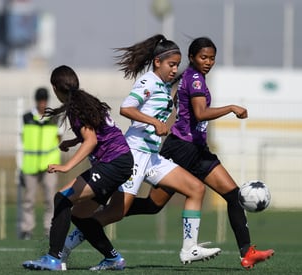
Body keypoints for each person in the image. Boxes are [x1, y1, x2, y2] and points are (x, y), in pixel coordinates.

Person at [60, 34, 221, 268]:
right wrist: (154, 123)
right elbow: (126, 108)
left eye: (177, 65)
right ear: (158, 62)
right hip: (134, 154)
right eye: (171, 64)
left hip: (153, 157)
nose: (175, 69)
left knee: (196, 189)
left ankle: (189, 249)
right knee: (115, 213)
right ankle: (64, 249)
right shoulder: (148, 82)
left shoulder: (164, 86)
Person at [125, 37, 275, 270]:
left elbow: (183, 107)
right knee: (153, 205)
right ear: (192, 58)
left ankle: (247, 252)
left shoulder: (194, 78)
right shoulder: (194, 78)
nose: (208, 62)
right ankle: (106, 213)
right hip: (181, 148)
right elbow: (201, 113)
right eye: (203, 57)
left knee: (234, 196)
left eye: (212, 58)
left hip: (198, 150)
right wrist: (231, 108)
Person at [22, 65, 134, 271]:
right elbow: (98, 131)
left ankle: (53, 258)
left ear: (55, 88)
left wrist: (67, 166)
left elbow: (90, 140)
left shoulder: (75, 107)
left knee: (62, 198)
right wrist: (74, 141)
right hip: (122, 162)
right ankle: (113, 259)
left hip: (113, 163)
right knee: (80, 215)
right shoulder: (84, 100)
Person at [18, 87, 62, 240]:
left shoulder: (54, 118)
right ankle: (26, 230)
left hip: (50, 165)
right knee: (29, 199)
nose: (42, 104)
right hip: (30, 165)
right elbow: (22, 138)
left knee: (50, 199)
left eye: (44, 100)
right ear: (36, 101)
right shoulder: (26, 118)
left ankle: (49, 230)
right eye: (40, 100)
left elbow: (59, 139)